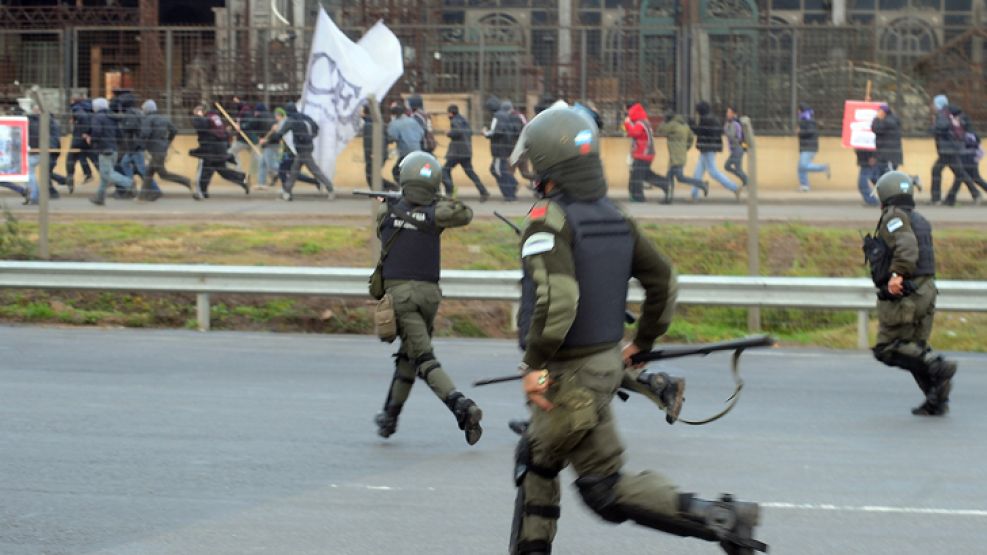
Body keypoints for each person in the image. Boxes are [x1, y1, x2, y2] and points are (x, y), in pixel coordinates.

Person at [507, 106, 765, 555]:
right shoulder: (614, 216)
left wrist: (533, 364)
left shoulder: (547, 218)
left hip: (568, 376)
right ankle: (721, 519)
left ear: (550, 163)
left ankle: (723, 519)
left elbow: (560, 302)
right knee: (570, 473)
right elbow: (663, 280)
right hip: (603, 368)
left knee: (568, 474)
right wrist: (641, 343)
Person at [373, 151, 484, 446]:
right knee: (409, 355)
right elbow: (465, 213)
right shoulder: (436, 214)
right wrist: (434, 202)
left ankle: (462, 406)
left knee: (423, 358)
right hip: (429, 296)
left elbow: (380, 226)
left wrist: (398, 203)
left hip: (401, 298)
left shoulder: (386, 211)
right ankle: (390, 417)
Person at [869, 171, 957, 416]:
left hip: (907, 294)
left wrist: (897, 274)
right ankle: (936, 400)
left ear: (886, 194)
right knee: (913, 348)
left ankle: (937, 366)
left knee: (887, 348)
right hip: (926, 290)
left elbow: (906, 247)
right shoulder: (919, 218)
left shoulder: (893, 217)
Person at [262, 103, 333, 201]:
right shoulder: (305, 117)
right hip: (306, 147)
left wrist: (268, 140)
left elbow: (280, 134)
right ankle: (287, 192)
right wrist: (310, 137)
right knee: (294, 171)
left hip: (303, 149)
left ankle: (330, 188)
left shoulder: (291, 120)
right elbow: (316, 128)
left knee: (314, 171)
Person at [189, 104, 248, 200]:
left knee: (204, 170)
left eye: (195, 113)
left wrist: (198, 116)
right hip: (219, 148)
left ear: (201, 111)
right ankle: (243, 179)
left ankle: (200, 192)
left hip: (211, 149)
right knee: (222, 171)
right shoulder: (215, 117)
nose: (194, 115)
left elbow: (200, 126)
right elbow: (223, 132)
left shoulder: (207, 119)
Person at [929, 94, 977, 205]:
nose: (932, 106)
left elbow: (942, 126)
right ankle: (975, 193)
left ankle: (936, 199)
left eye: (934, 103)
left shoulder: (942, 114)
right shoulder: (947, 113)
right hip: (950, 148)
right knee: (959, 172)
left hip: (948, 149)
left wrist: (932, 127)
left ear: (938, 104)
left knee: (937, 170)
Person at [88, 97, 137, 206]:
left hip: (104, 149)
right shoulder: (112, 117)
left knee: (107, 174)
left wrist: (92, 140)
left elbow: (96, 131)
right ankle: (99, 198)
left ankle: (129, 183)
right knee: (104, 176)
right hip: (114, 149)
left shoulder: (97, 117)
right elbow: (119, 134)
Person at [140, 99, 191, 200]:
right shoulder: (163, 118)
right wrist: (167, 142)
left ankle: (185, 181)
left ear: (147, 109)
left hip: (155, 150)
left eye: (143, 109)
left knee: (162, 174)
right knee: (149, 172)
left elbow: (145, 134)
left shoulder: (148, 119)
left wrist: (142, 144)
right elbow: (174, 130)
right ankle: (142, 196)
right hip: (161, 150)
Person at [115, 92, 160, 201]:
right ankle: (130, 188)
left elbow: (132, 128)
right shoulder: (134, 112)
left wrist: (122, 127)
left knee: (142, 170)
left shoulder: (131, 113)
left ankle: (155, 190)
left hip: (135, 147)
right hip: (133, 146)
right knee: (124, 164)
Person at [691, 101, 740, 201]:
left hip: (708, 148)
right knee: (697, 172)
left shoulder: (706, 119)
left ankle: (734, 187)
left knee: (713, 172)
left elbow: (700, 132)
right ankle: (694, 195)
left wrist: (692, 125)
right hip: (708, 148)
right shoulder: (712, 118)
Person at [657, 111, 708, 204]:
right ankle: (668, 198)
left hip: (675, 157)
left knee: (679, 178)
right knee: (670, 177)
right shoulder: (685, 125)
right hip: (680, 155)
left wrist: (664, 121)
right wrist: (685, 148)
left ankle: (702, 184)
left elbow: (660, 131)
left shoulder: (672, 125)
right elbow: (691, 137)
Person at [623, 102, 669, 203]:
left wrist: (626, 123)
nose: (627, 114)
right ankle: (665, 183)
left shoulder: (640, 123)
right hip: (644, 153)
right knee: (645, 175)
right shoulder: (643, 122)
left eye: (628, 112)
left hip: (643, 153)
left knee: (637, 176)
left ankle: (638, 197)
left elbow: (633, 133)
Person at [441, 104, 489, 200]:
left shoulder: (455, 121)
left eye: (448, 113)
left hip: (456, 152)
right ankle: (483, 191)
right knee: (470, 173)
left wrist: (449, 133)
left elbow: (457, 132)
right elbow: (469, 132)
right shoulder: (464, 120)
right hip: (466, 151)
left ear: (451, 113)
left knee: (444, 170)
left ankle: (450, 191)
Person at [938, 103, 982, 205]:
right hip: (963, 152)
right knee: (961, 175)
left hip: (964, 153)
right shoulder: (957, 120)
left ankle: (972, 194)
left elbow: (964, 136)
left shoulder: (958, 121)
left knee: (965, 175)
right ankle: (950, 199)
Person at [484, 100, 523, 201]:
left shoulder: (498, 116)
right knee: (498, 169)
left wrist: (485, 133)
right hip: (507, 147)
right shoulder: (508, 116)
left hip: (499, 149)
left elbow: (496, 131)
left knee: (498, 171)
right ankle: (512, 186)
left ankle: (510, 193)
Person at [386, 103, 425, 187]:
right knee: (419, 170)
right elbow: (422, 133)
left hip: (406, 153)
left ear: (394, 114)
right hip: (418, 151)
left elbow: (391, 138)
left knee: (396, 171)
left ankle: (405, 188)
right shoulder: (413, 121)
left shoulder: (394, 124)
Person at [361, 104, 396, 191]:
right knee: (374, 176)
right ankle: (387, 191)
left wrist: (371, 154)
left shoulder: (369, 125)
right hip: (381, 154)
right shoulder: (379, 123)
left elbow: (369, 141)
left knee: (371, 177)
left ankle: (392, 189)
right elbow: (390, 139)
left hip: (374, 155)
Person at [796, 103, 830, 192]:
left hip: (809, 147)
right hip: (806, 146)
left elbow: (810, 132)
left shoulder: (808, 120)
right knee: (800, 167)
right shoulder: (805, 120)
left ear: (803, 111)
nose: (798, 112)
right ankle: (804, 185)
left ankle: (824, 167)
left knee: (803, 166)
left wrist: (799, 132)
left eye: (799, 110)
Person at [65, 98, 96, 190]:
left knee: (70, 160)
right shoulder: (89, 109)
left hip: (79, 139)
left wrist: (84, 132)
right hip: (88, 140)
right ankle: (89, 174)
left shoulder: (77, 108)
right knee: (86, 157)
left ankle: (70, 179)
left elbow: (83, 118)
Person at [871, 103, 902, 174]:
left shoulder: (888, 121)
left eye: (879, 111)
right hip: (884, 156)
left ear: (883, 112)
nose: (877, 113)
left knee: (887, 177)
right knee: (879, 177)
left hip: (889, 158)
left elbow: (875, 128)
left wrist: (876, 119)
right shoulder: (888, 120)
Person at [723, 105, 748, 187]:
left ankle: (747, 180)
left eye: (729, 112)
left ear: (734, 114)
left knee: (727, 166)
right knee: (737, 169)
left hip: (738, 148)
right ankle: (746, 181)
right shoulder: (730, 123)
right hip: (736, 149)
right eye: (727, 112)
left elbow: (734, 136)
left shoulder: (735, 123)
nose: (727, 114)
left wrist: (726, 130)